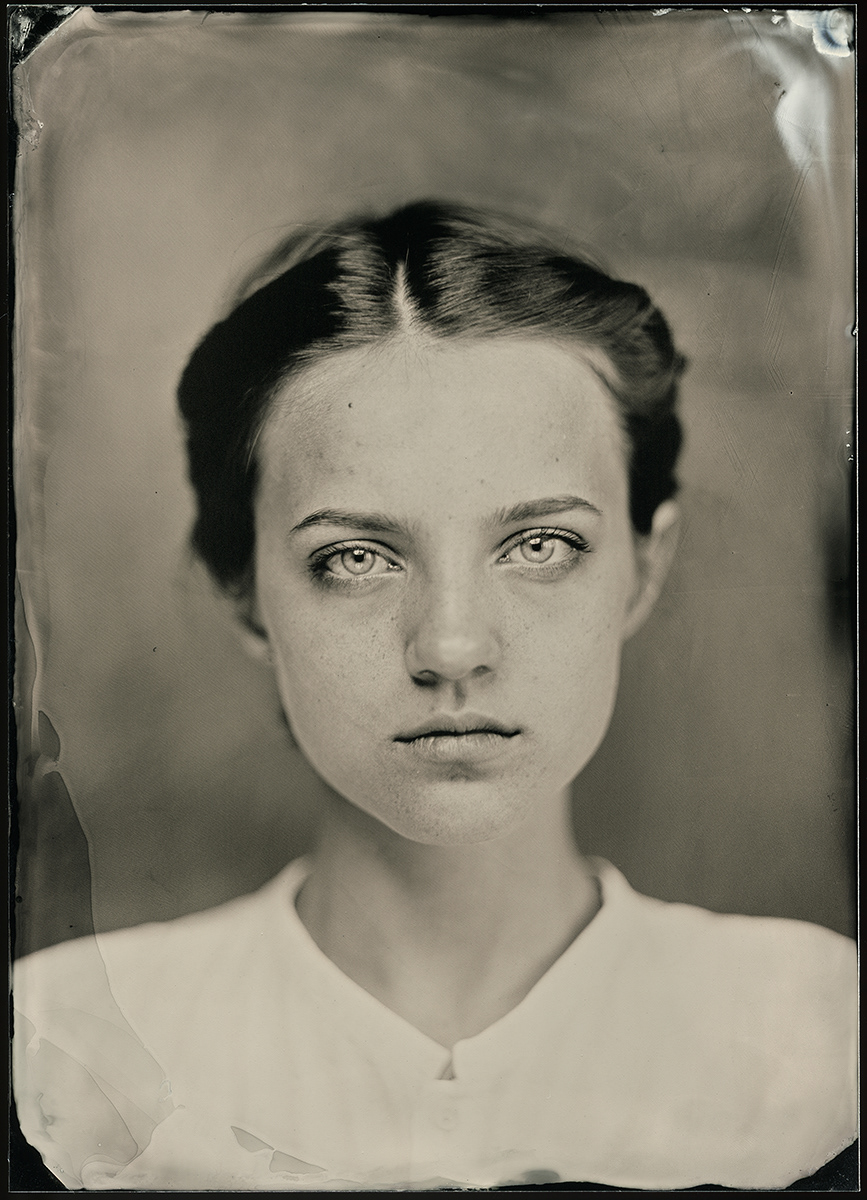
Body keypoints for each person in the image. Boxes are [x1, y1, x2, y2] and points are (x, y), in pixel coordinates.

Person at [13, 201, 856, 1191]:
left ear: (644, 566)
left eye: (542, 545)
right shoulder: (59, 1052)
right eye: (354, 557)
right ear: (243, 591)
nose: (452, 646)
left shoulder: (822, 1039)